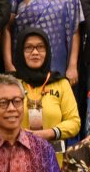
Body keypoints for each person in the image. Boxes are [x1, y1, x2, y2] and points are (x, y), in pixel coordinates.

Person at [13, 28, 80, 157]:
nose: (35, 52)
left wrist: (50, 133)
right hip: (17, 159)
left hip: (53, 160)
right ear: (20, 52)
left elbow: (74, 122)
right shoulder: (11, 83)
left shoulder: (61, 83)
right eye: (28, 47)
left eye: (40, 47)